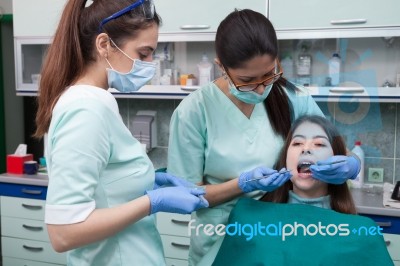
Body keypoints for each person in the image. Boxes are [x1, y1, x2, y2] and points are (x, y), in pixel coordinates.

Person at [167, 9, 360, 265]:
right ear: (221, 67)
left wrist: (351, 164)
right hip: (220, 244)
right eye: (247, 81)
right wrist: (242, 184)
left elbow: (338, 150)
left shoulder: (295, 99)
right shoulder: (194, 112)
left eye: (269, 75)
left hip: (281, 241)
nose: (260, 89)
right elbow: (186, 197)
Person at [34, 0, 208, 265]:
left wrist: (148, 183)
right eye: (143, 54)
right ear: (104, 45)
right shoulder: (86, 109)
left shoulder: (97, 101)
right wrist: (152, 202)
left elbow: (106, 187)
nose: (150, 65)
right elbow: (64, 233)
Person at [199, 115, 392, 266]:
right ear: (285, 159)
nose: (306, 150)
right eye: (297, 143)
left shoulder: (362, 232)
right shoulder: (247, 218)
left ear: (337, 159)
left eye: (319, 144)